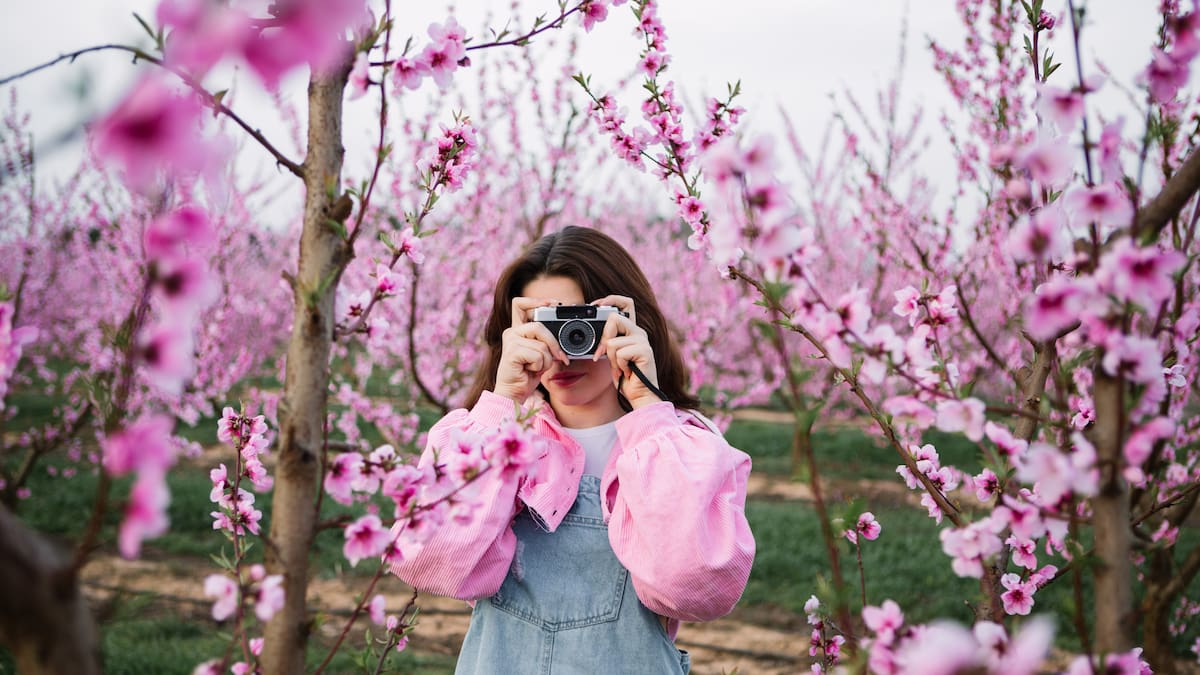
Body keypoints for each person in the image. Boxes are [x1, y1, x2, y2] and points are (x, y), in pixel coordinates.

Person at [389, 226, 755, 674]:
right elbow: (428, 562)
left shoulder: (680, 448)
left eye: (581, 327)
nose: (565, 352)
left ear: (629, 326)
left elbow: (696, 589)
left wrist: (648, 406)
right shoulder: (490, 440)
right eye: (546, 327)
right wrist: (502, 404)